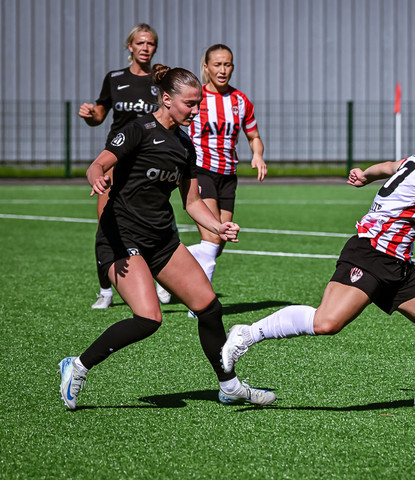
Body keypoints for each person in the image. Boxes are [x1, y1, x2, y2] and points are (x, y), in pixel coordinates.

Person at [222, 126, 415, 413]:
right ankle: (247, 334)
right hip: (370, 254)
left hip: (397, 262)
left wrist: (366, 175)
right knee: (326, 322)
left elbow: (391, 166)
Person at [58, 64, 276, 410]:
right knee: (149, 319)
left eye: (198, 103)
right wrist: (97, 177)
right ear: (167, 99)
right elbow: (97, 164)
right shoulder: (139, 129)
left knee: (209, 307)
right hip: (121, 237)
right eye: (190, 103)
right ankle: (78, 365)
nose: (196, 110)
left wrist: (217, 227)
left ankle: (229, 385)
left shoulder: (185, 145)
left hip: (162, 240)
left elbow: (192, 202)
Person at [155, 44, 266, 308]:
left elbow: (253, 136)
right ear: (206, 67)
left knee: (219, 241)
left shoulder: (240, 101)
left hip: (228, 175)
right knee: (212, 238)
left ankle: (166, 268)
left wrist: (258, 155)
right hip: (200, 170)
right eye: (217, 64)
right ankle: (201, 305)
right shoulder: (196, 97)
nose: (223, 70)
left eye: (227, 64)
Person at [79, 23, 160, 309]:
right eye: (140, 42)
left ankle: (162, 279)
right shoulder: (114, 78)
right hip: (116, 159)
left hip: (149, 160)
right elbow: (99, 116)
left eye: (150, 43)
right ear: (130, 46)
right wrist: (89, 115)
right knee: (106, 222)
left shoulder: (161, 78)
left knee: (154, 220)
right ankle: (105, 290)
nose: (145, 48)